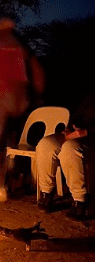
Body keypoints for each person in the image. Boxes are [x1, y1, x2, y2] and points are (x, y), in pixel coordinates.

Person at [0, 18, 45, 202]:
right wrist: (36, 96)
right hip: (23, 100)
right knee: (16, 143)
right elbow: (38, 74)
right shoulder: (22, 47)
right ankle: (26, 182)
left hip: (0, 98)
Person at [36, 91, 95, 220]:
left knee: (69, 148)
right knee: (45, 144)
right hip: (77, 133)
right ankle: (46, 193)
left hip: (91, 137)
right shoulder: (91, 97)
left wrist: (87, 131)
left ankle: (80, 201)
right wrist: (69, 129)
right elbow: (77, 115)